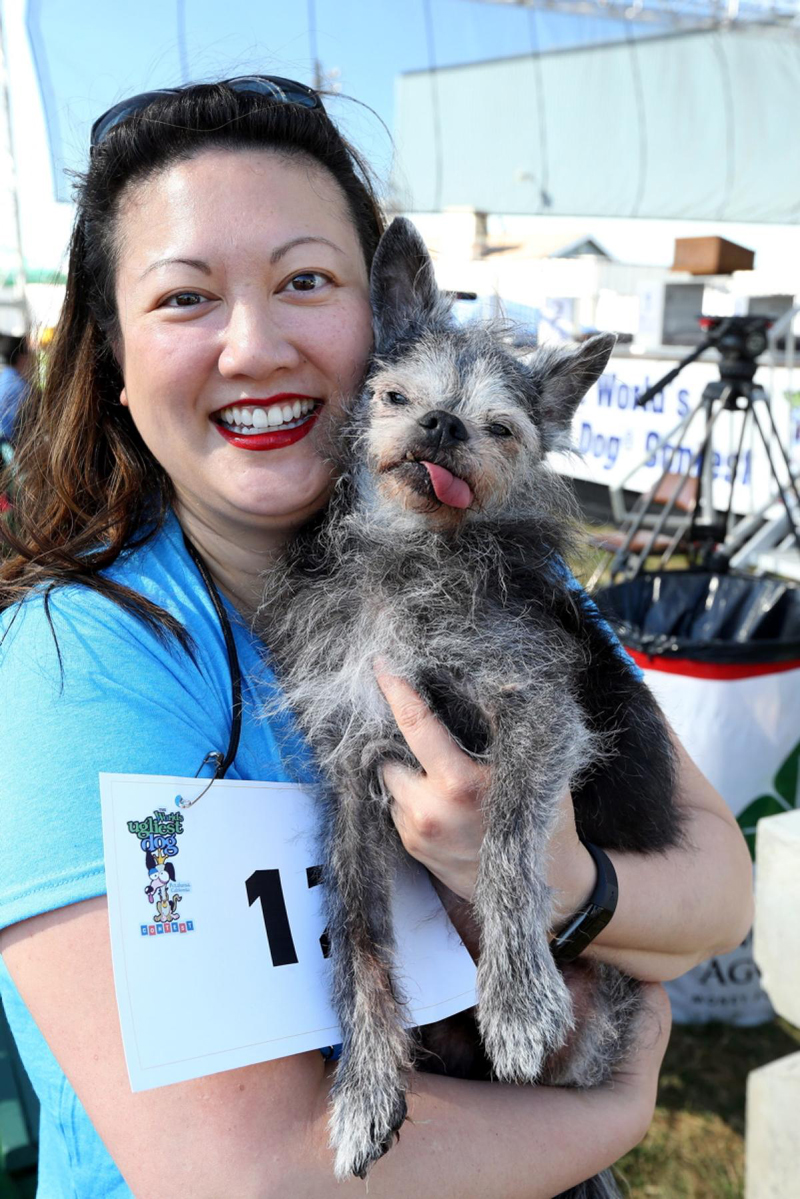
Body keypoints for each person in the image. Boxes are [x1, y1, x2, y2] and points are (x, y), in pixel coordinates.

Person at [0, 79, 752, 1198]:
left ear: (382, 314)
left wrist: (562, 882)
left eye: (306, 280)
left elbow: (718, 888)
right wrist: (609, 1109)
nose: (254, 345)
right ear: (110, 354)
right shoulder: (84, 663)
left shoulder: (489, 566)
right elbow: (252, 1177)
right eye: (184, 297)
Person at [0, 332, 31, 443]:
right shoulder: (20, 386)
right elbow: (18, 426)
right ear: (21, 357)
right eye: (29, 354)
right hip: (5, 445)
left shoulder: (4, 377)